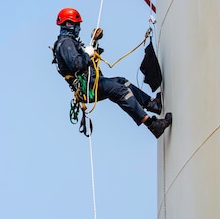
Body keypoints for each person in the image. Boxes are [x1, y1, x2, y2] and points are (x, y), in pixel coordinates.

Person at [52, 7, 172, 138]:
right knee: (120, 91)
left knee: (122, 82)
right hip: (88, 86)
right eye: (77, 25)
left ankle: (152, 104)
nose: (79, 29)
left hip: (91, 83)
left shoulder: (68, 43)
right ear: (69, 24)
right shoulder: (65, 43)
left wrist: (94, 42)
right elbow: (77, 64)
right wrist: (87, 53)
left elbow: (83, 62)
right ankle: (152, 124)